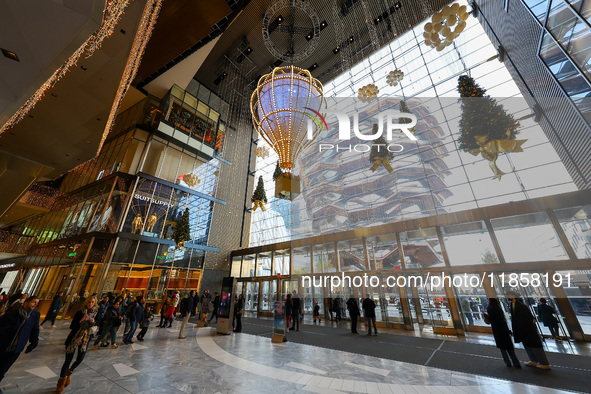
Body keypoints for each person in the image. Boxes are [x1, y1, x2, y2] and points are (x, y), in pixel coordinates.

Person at [56, 296, 98, 392]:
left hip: (85, 340)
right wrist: (81, 321)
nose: (90, 304)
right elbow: (72, 326)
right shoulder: (80, 313)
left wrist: (93, 322)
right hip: (73, 339)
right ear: (86, 303)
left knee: (80, 359)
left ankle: (68, 373)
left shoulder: (95, 314)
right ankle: (61, 382)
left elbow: (96, 326)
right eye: (89, 302)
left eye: (92, 302)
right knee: (68, 360)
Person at [0, 295, 40, 384]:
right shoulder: (12, 313)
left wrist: (34, 343)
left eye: (37, 303)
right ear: (26, 303)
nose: (35, 304)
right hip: (3, 344)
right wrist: (9, 329)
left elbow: (35, 329)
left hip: (16, 348)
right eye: (34, 302)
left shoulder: (35, 315)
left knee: (3, 369)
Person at [507, 292, 551, 370]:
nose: (507, 296)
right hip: (522, 329)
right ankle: (533, 360)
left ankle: (544, 362)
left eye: (508, 295)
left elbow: (528, 317)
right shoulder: (513, 305)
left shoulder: (522, 306)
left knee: (535, 345)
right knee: (527, 344)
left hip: (527, 329)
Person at [483, 298, 520, 367]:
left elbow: (491, 318)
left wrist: (485, 315)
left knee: (502, 348)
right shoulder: (498, 308)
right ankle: (516, 362)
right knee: (509, 347)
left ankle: (507, 362)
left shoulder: (490, 308)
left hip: (497, 330)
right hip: (504, 329)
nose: (487, 301)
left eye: (488, 300)